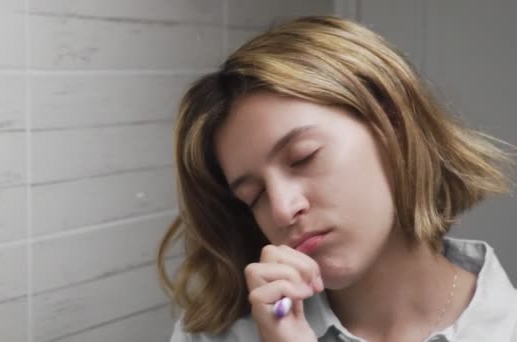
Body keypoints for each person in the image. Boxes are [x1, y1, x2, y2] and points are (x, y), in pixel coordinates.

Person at [156, 16, 517, 342]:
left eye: (303, 157)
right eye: (254, 196)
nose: (283, 210)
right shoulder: (213, 335)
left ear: (393, 126)